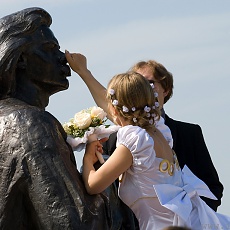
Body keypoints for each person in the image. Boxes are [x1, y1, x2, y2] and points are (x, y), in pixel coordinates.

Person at [64, 55, 230, 229]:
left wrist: (88, 157)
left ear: (114, 108)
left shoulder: (135, 139)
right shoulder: (158, 130)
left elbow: (93, 185)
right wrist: (84, 71)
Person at [0, 8, 124, 229]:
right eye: (50, 48)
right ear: (20, 58)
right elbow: (73, 223)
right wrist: (110, 179)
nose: (63, 58)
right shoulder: (29, 124)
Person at [104, 60, 224, 212]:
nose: (143, 88)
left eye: (149, 82)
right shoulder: (113, 139)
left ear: (165, 89)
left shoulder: (187, 133)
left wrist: (193, 217)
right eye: (137, 83)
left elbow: (211, 186)